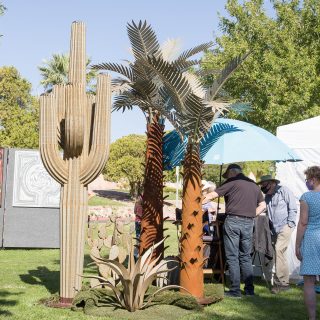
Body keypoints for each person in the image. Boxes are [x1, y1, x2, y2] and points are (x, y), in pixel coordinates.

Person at [210, 163, 266, 297]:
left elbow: (212, 195)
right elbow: (263, 205)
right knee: (246, 257)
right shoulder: (253, 185)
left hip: (233, 221)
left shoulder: (232, 181)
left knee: (232, 256)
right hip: (249, 222)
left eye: (227, 175)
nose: (227, 177)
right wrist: (253, 214)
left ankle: (235, 290)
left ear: (231, 172)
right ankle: (249, 290)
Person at [258, 175, 297, 294]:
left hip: (285, 226)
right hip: (273, 229)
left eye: (264, 184)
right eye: (262, 185)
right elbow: (265, 209)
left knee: (279, 250)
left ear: (272, 183)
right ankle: (284, 281)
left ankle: (281, 283)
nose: (262, 187)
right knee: (278, 253)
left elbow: (293, 208)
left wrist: (290, 224)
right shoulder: (268, 195)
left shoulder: (284, 191)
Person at [296, 166, 320, 320]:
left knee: (309, 282)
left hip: (312, 238)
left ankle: (312, 318)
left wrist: (297, 244)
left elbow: (303, 222)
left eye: (307, 179)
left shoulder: (307, 196)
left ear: (313, 179)